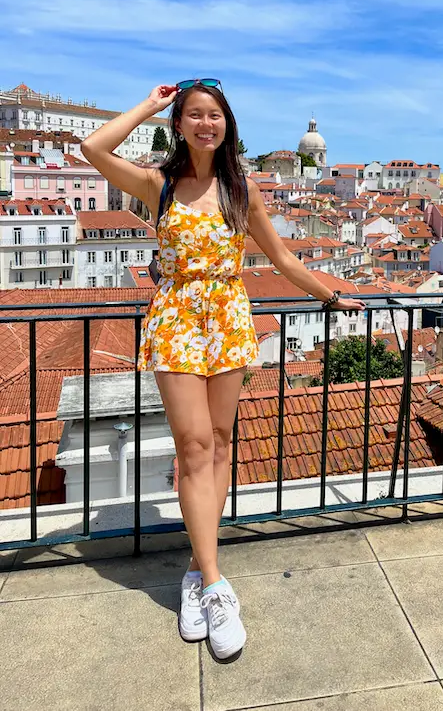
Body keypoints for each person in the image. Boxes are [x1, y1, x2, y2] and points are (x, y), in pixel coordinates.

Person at [81, 79, 365, 659]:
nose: (205, 124)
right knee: (190, 447)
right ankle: (215, 586)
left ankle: (196, 568)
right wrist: (150, 104)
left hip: (230, 317)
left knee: (218, 441)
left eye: (215, 116)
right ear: (180, 124)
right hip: (178, 318)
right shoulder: (157, 184)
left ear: (227, 125)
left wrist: (330, 298)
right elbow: (94, 149)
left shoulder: (242, 189)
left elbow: (281, 258)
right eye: (194, 115)